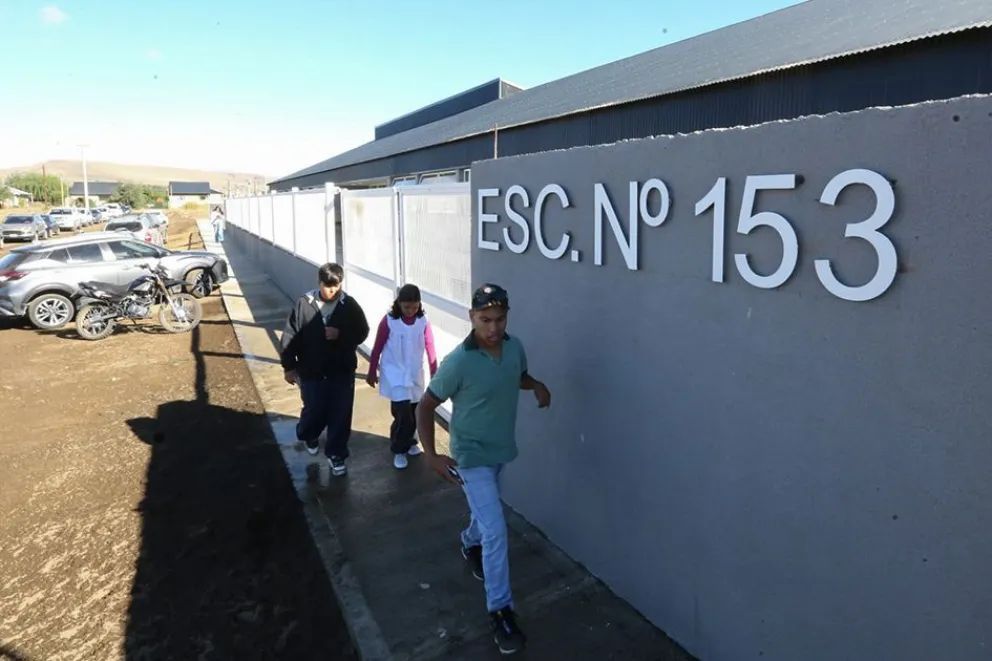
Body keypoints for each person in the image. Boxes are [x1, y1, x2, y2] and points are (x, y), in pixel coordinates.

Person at [416, 283, 551, 656]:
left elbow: (516, 376)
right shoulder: (459, 362)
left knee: (483, 517)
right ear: (471, 317)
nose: (493, 327)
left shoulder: (515, 348)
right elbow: (425, 406)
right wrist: (431, 455)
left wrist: (536, 385)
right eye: (484, 319)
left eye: (499, 319)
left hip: (500, 451)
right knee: (496, 530)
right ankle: (501, 611)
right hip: (469, 457)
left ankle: (468, 542)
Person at [280, 263, 369, 476]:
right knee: (314, 409)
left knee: (340, 413)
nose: (332, 291)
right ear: (319, 283)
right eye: (327, 286)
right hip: (311, 371)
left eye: (335, 286)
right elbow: (290, 335)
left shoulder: (349, 305)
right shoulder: (304, 304)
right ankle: (308, 433)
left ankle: (336, 454)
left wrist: (341, 335)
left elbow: (362, 332)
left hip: (342, 371)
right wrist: (289, 366)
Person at [365, 284, 439, 469]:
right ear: (399, 303)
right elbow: (378, 346)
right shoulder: (389, 321)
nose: (411, 311)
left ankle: (411, 442)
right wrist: (372, 370)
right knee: (401, 413)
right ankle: (399, 448)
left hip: (414, 373)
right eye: (406, 307)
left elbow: (430, 346)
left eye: (415, 307)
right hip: (395, 373)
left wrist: (434, 371)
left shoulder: (423, 321)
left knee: (415, 411)